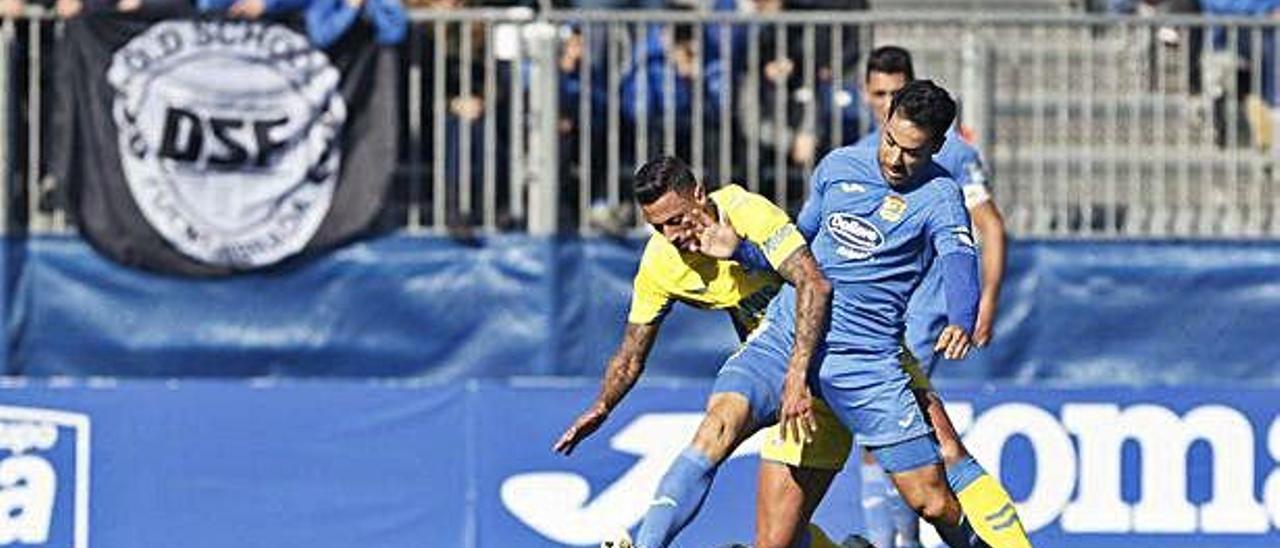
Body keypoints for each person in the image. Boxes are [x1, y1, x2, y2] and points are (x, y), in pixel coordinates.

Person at [552, 155, 852, 548]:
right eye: (658, 227)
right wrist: (604, 404)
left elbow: (813, 281)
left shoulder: (749, 212)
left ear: (698, 194)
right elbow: (630, 354)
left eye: (676, 219)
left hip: (836, 356)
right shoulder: (661, 264)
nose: (671, 235)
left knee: (783, 539)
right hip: (768, 360)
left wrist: (742, 252)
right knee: (716, 425)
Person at [849, 46, 1023, 548]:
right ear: (866, 94)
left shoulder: (953, 157)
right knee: (887, 441)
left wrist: (982, 301)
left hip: (922, 316)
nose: (885, 105)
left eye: (894, 94)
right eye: (877, 94)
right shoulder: (859, 155)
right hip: (873, 320)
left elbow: (989, 225)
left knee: (907, 440)